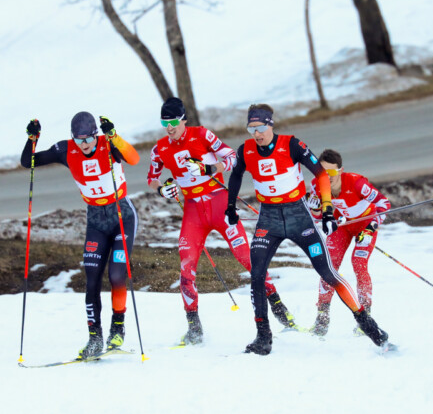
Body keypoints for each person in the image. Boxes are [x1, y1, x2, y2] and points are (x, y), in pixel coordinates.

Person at [225, 103, 393, 355]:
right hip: (268, 218)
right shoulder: (246, 150)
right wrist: (230, 206)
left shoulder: (292, 144)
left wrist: (327, 210)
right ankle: (263, 337)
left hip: (297, 215)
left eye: (260, 127)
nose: (256, 133)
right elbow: (236, 175)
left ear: (270, 124)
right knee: (257, 274)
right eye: (251, 128)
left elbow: (321, 175)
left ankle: (369, 326)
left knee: (327, 272)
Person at [147, 97, 294, 345]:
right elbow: (152, 177)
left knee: (246, 258)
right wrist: (163, 189)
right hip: (193, 211)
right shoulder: (160, 147)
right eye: (164, 122)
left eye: (173, 121)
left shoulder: (201, 134)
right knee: (186, 267)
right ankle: (194, 326)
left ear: (183, 119)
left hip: (218, 203)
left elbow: (231, 158)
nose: (169, 128)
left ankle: (280, 309)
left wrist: (208, 168)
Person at [20, 112, 140, 359]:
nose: (84, 144)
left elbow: (134, 158)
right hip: (96, 219)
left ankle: (117, 326)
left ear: (96, 134)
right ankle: (94, 338)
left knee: (117, 274)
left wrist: (114, 136)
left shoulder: (107, 144)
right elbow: (28, 161)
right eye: (78, 139)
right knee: (91, 277)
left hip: (121, 215)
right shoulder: (66, 150)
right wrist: (33, 139)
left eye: (88, 138)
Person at [306, 149, 391, 336]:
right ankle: (322, 317)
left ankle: (365, 317)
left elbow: (384, 204)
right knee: (328, 266)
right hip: (342, 226)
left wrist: (371, 227)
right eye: (322, 172)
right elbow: (318, 216)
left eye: (332, 173)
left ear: (341, 170)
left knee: (358, 264)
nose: (327, 177)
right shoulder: (316, 185)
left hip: (365, 224)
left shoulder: (357, 183)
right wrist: (313, 209)